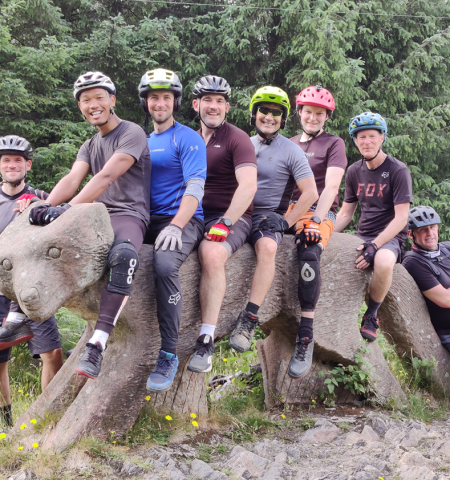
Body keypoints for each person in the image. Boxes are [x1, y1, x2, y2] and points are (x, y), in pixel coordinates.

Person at [26, 71, 151, 379]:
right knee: (45, 245)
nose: (93, 104)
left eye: (99, 97)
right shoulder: (89, 144)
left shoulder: (131, 132)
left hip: (128, 214)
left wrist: (67, 210)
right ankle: (19, 313)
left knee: (123, 257)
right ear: (80, 106)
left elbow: (106, 177)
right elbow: (72, 179)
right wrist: (46, 205)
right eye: (85, 100)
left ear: (112, 100)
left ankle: (98, 343)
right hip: (94, 216)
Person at [228, 86, 319, 378]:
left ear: (283, 117)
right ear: (254, 113)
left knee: (268, 249)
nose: (269, 116)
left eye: (276, 113)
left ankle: (249, 319)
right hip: (236, 212)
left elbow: (311, 192)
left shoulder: (291, 150)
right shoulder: (241, 143)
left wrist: (287, 221)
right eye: (264, 111)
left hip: (267, 215)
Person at [137, 68, 207, 392]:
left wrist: (178, 225)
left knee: (164, 264)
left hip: (182, 218)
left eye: (166, 97)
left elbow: (195, 186)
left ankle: (168, 353)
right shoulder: (142, 140)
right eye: (154, 97)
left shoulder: (187, 137)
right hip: (145, 218)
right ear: (146, 102)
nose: (160, 103)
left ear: (176, 102)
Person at [187, 75, 258, 373]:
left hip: (231, 214)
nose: (213, 106)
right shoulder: (189, 138)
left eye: (219, 101)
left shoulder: (236, 138)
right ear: (196, 104)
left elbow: (248, 185)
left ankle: (206, 340)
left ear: (227, 107)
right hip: (192, 212)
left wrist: (227, 221)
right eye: (207, 100)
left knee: (212, 254)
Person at [282, 85, 347, 374]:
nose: (312, 117)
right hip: (286, 209)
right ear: (299, 113)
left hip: (316, 209)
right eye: (308, 111)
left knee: (309, 252)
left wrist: (317, 221)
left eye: (319, 113)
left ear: (326, 117)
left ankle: (306, 333)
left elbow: (331, 186)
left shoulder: (334, 144)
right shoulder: (289, 142)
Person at [0, 135, 63, 428]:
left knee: (52, 352)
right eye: (6, 161)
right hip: (0, 291)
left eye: (17, 161)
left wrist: (39, 211)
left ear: (28, 165)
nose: (12, 166)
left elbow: (63, 229)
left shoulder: (41, 197)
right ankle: (7, 423)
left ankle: (47, 419)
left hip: (30, 291)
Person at [335, 112, 413, 341]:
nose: (366, 142)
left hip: (390, 237)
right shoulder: (353, 171)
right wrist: (324, 235)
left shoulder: (398, 170)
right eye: (361, 137)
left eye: (371, 136)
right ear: (355, 141)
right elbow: (346, 213)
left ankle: (371, 315)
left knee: (384, 261)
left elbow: (401, 219)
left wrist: (375, 245)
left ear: (382, 138)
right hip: (362, 234)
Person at [402, 206, 450, 351]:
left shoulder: (446, 248)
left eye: (432, 227)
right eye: (423, 229)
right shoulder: (413, 262)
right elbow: (446, 300)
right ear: (411, 234)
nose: (430, 233)